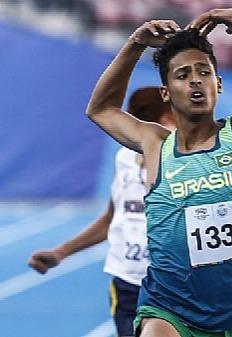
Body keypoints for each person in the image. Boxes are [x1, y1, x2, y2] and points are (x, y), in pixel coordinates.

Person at [85, 8, 232, 337]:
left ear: (219, 84)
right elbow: (100, 109)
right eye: (183, 75)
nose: (196, 80)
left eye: (204, 72)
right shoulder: (155, 144)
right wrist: (136, 43)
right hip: (169, 306)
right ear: (166, 92)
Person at [28, 87, 175, 337]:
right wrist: (61, 252)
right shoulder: (124, 159)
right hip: (127, 283)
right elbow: (112, 218)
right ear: (160, 121)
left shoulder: (185, 162)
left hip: (171, 287)